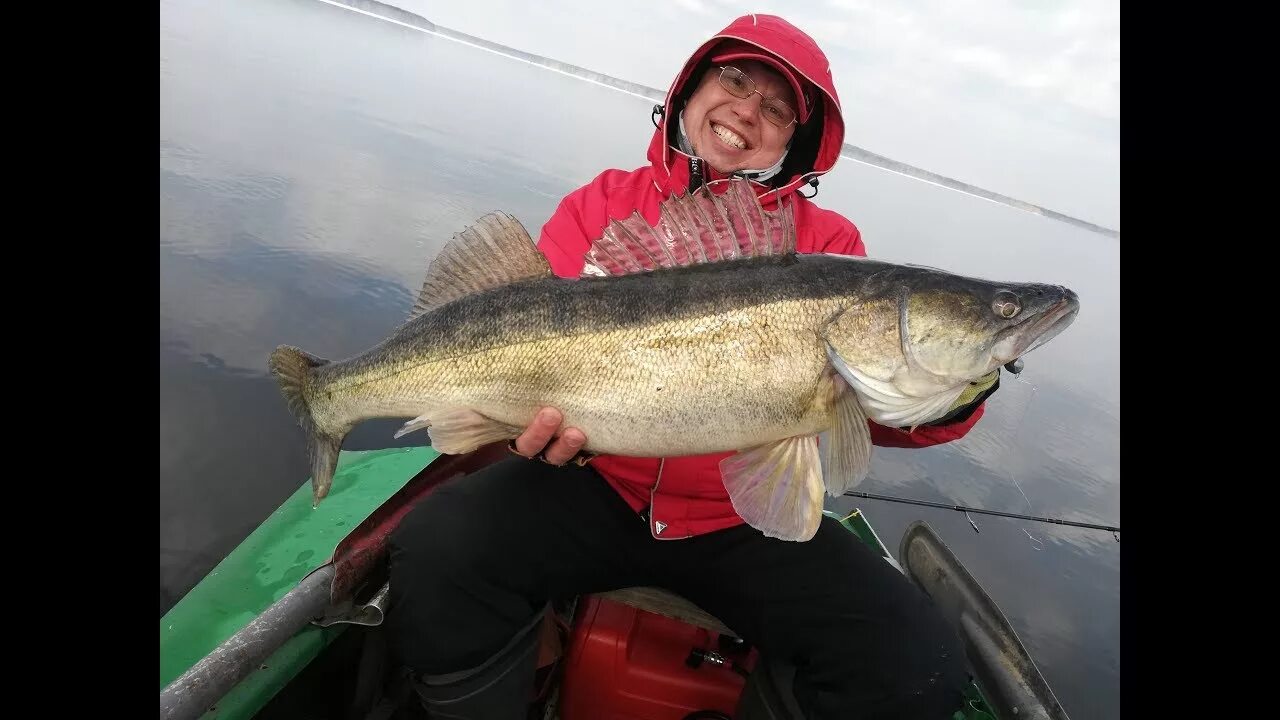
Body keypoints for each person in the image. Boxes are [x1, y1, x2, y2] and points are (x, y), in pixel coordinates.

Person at [386, 13, 1000, 719]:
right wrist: (513, 423)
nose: (747, 110)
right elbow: (516, 345)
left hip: (734, 520)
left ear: (794, 141)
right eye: (733, 80)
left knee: (913, 663)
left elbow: (884, 404)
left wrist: (959, 390)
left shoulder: (830, 247)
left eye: (776, 109)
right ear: (689, 90)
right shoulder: (605, 203)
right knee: (436, 550)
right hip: (592, 484)